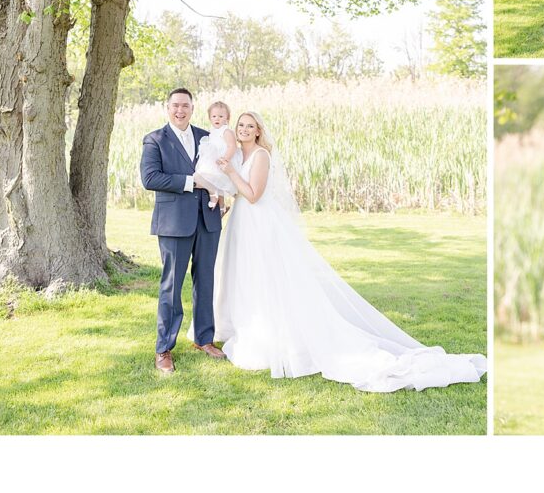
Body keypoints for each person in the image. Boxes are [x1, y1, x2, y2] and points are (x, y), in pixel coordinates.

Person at [212, 112, 486, 392]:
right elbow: (239, 192)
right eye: (241, 126)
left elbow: (255, 194)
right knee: (249, 279)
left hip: (261, 225)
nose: (244, 130)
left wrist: (231, 174)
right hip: (243, 223)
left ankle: (283, 342)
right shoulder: (238, 157)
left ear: (258, 131)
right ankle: (256, 334)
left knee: (269, 280)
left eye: (250, 126)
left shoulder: (260, 156)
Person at [140, 88, 227, 374]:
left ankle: (204, 339)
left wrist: (222, 193)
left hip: (208, 219)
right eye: (175, 106)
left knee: (206, 282)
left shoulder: (206, 136)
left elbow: (222, 168)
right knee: (171, 286)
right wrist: (193, 182)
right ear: (168, 108)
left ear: (192, 108)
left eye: (186, 106)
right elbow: (151, 178)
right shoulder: (155, 140)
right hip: (174, 223)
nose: (180, 111)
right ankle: (163, 348)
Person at [191, 100, 238, 209]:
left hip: (222, 162)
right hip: (212, 161)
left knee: (198, 177)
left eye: (221, 116)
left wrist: (224, 160)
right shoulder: (212, 132)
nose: (217, 118)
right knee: (211, 182)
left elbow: (232, 146)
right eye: (214, 116)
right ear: (210, 118)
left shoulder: (226, 131)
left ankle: (214, 194)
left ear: (227, 118)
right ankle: (221, 207)